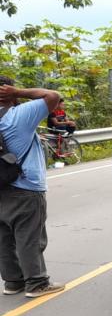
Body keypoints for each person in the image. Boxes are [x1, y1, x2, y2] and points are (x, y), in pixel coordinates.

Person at [0, 77, 64, 298]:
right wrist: (19, 92)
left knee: (4, 237)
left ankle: (12, 281)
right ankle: (36, 283)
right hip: (25, 186)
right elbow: (52, 96)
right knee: (29, 236)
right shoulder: (17, 116)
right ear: (7, 92)